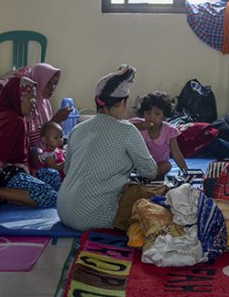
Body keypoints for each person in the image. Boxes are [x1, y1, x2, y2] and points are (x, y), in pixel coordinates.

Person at [57, 64, 157, 231]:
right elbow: (149, 172)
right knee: (152, 200)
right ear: (122, 103)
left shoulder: (77, 129)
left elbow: (67, 170)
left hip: (63, 211)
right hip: (92, 217)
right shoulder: (127, 130)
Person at [0, 76, 60, 214]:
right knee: (51, 197)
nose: (34, 102)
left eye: (34, 97)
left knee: (53, 175)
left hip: (10, 172)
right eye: (29, 97)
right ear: (17, 97)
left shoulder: (17, 117)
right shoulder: (12, 120)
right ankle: (0, 194)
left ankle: (12, 196)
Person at [131, 91, 188, 180]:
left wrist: (186, 171)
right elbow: (123, 126)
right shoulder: (138, 125)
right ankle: (143, 176)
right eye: (148, 113)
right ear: (143, 113)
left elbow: (176, 153)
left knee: (167, 165)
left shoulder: (169, 131)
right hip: (140, 165)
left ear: (164, 116)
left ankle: (148, 177)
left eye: (157, 114)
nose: (151, 117)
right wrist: (140, 126)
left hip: (159, 166)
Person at [27, 63, 72, 148]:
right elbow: (33, 142)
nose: (53, 87)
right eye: (48, 83)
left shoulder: (46, 103)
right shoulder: (29, 105)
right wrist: (56, 120)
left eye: (55, 83)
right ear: (38, 81)